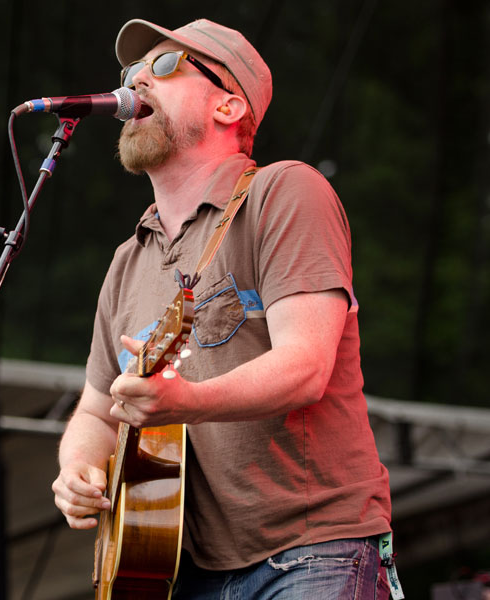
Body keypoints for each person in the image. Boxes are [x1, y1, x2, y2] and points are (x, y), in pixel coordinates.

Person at [50, 17, 398, 599]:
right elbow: (95, 410)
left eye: (163, 67)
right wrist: (77, 470)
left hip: (310, 553)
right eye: (131, 72)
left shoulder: (284, 192)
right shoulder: (127, 260)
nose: (136, 83)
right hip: (182, 572)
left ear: (229, 108)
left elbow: (305, 366)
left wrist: (187, 402)